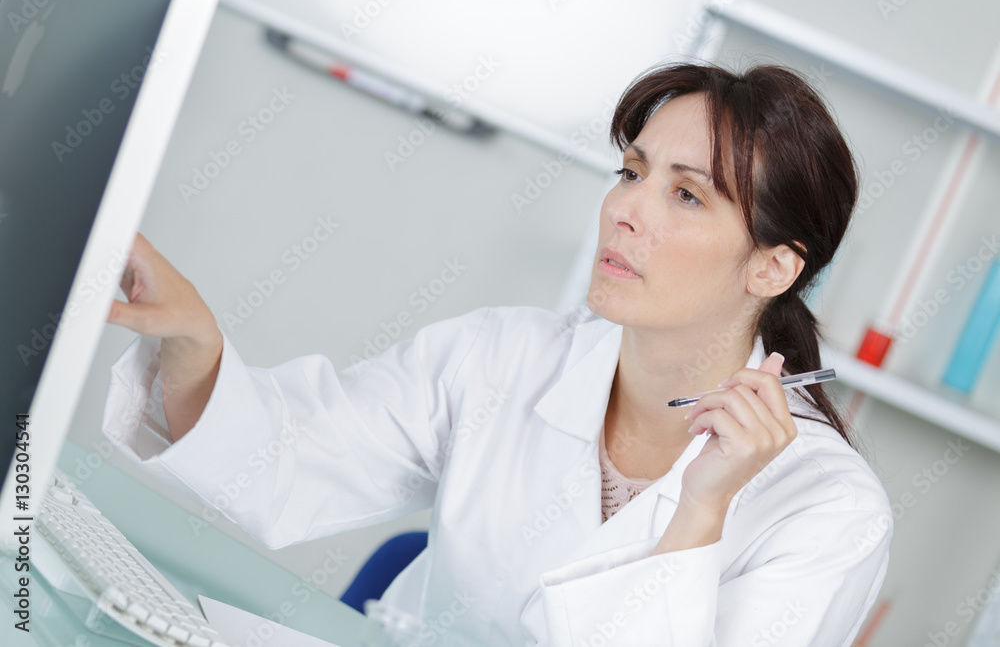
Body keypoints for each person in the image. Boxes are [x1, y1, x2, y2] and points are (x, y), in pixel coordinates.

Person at [102, 62, 892, 645]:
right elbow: (286, 460)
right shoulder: (504, 357)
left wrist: (701, 510)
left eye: (684, 195)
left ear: (773, 265)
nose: (624, 211)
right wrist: (194, 344)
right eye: (631, 172)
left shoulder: (829, 509)